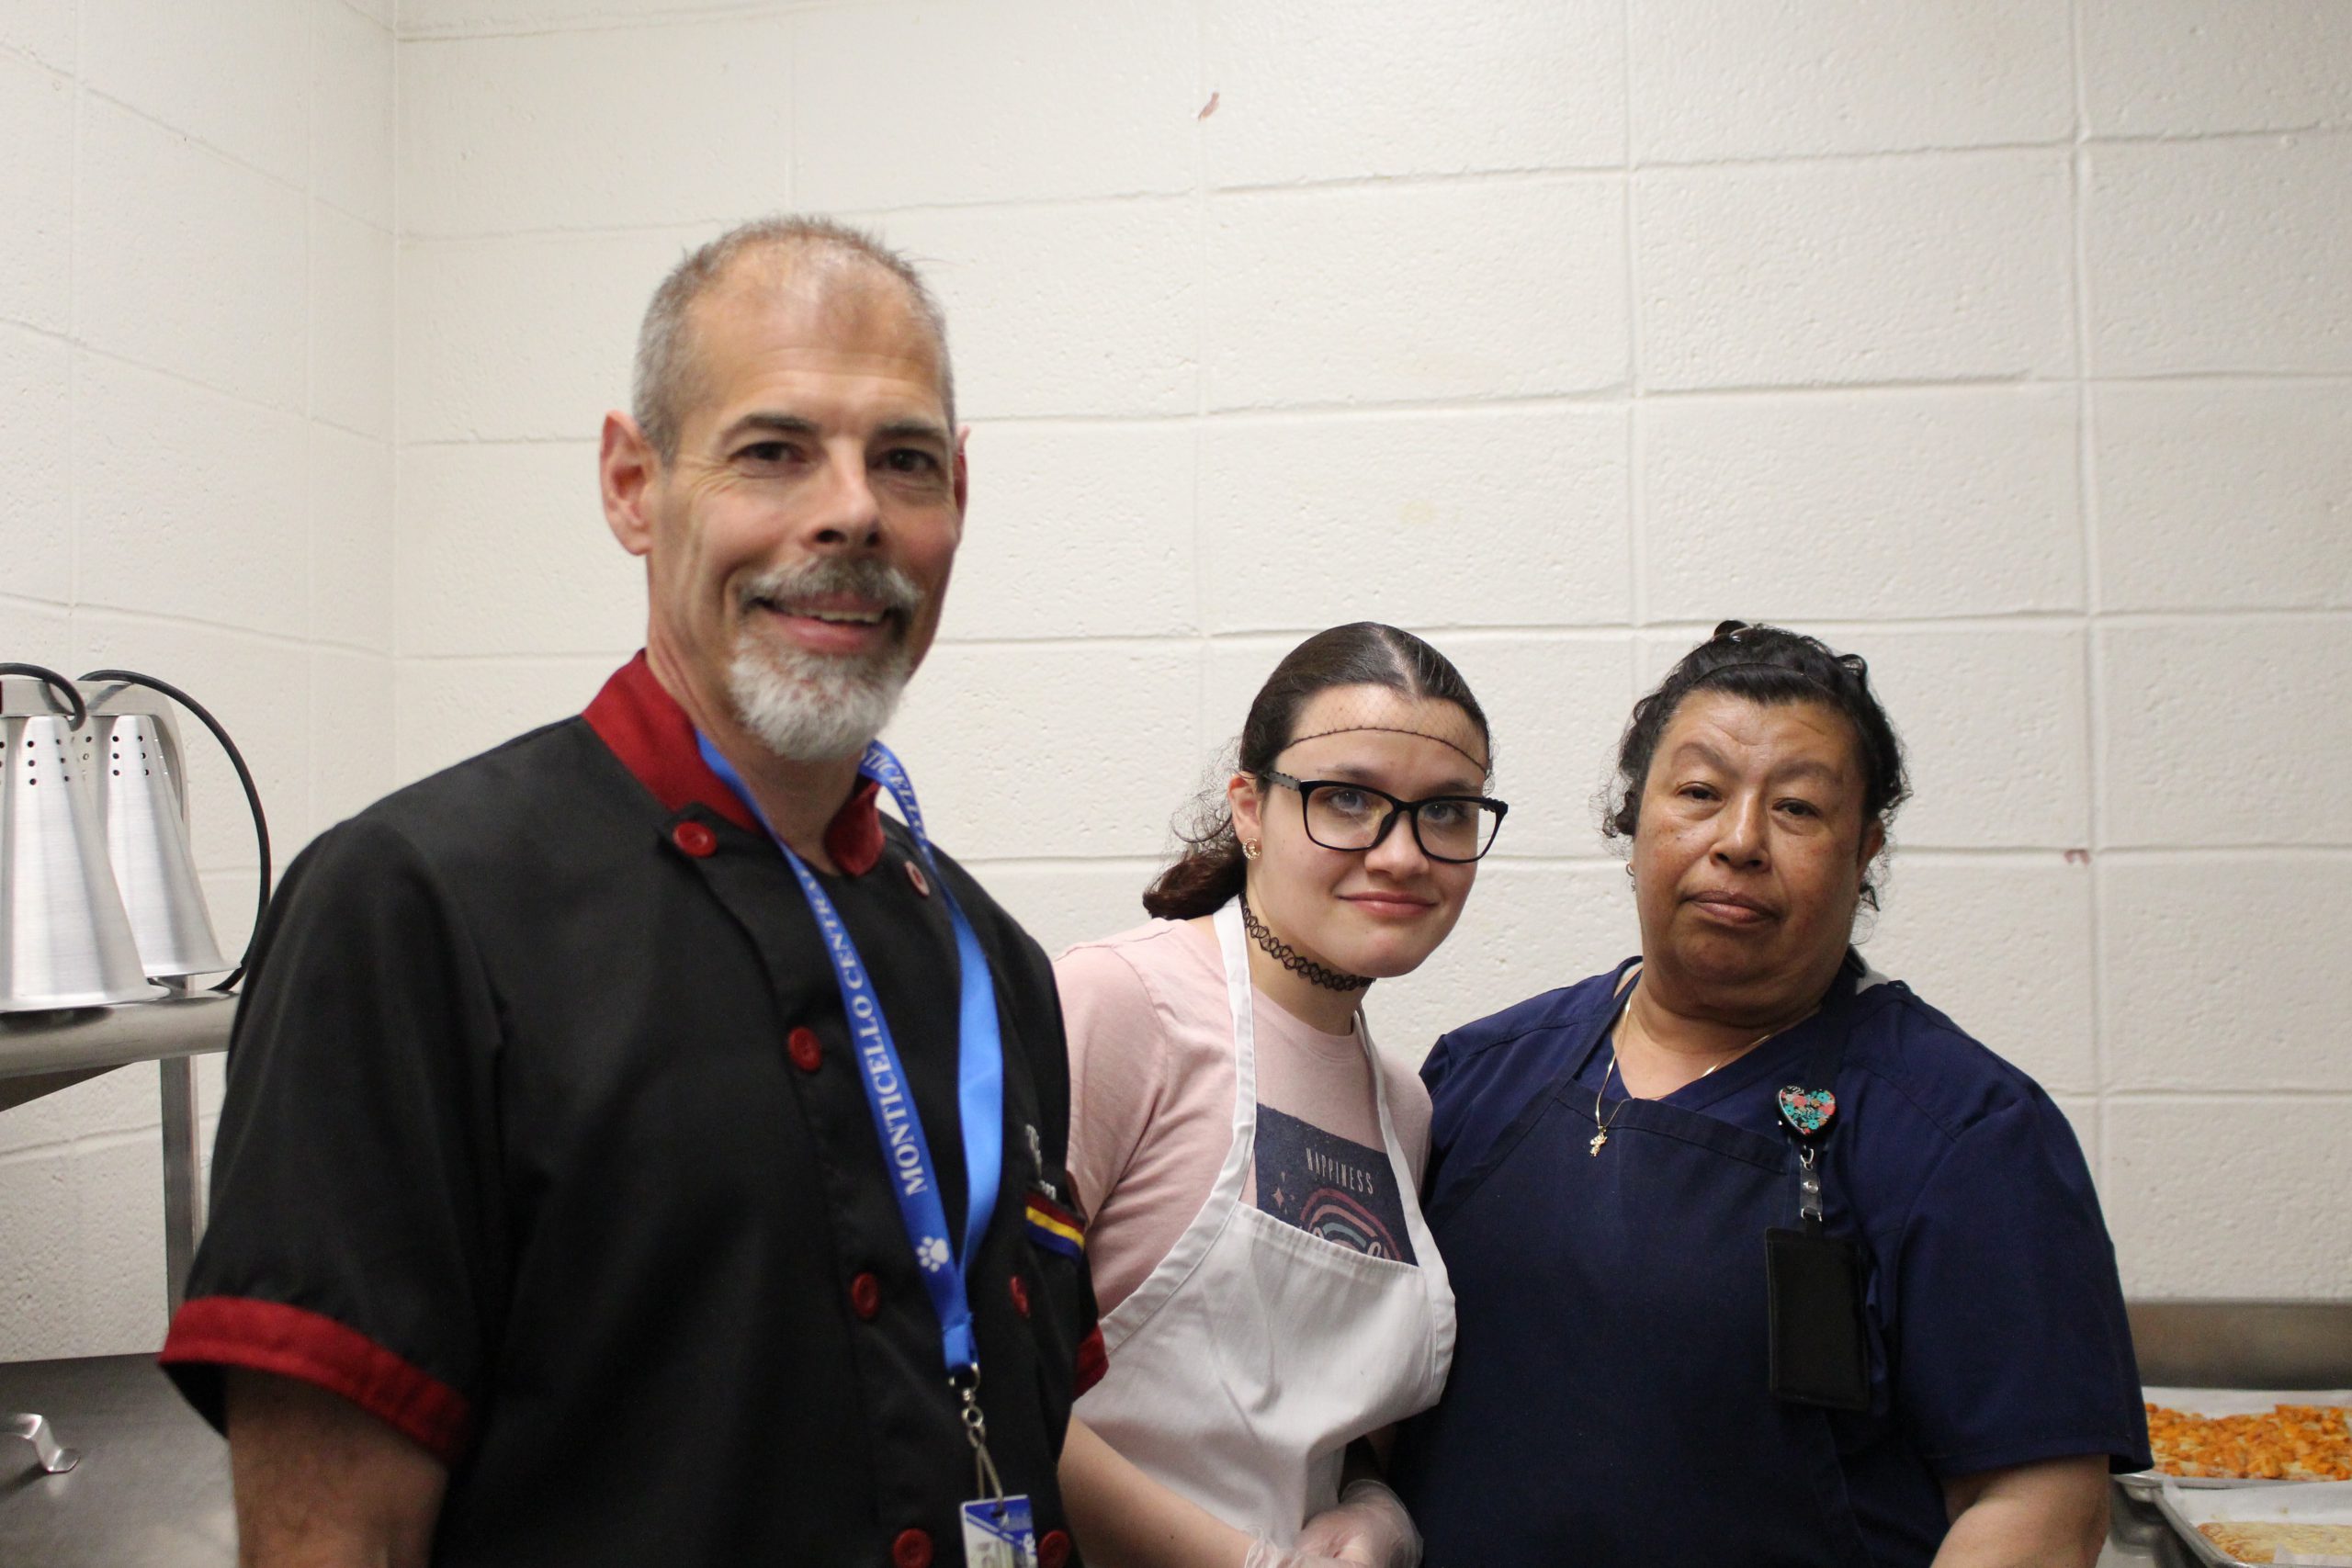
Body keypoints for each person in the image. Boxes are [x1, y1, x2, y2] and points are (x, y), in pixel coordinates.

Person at [158, 218, 1103, 1568]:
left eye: (904, 459)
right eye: (774, 451)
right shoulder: (416, 911)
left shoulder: (990, 962)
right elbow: (334, 1540)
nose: (852, 510)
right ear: (630, 481)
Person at [1389, 621, 2149, 1568]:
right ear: (1634, 823)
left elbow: (2035, 1506)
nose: (1739, 841)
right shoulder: (1480, 1076)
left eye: (1796, 809)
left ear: (1864, 849)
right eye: (1700, 793)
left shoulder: (1969, 1132)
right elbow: (1372, 1398)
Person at [1052, 624, 1507, 1568]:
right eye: (1347, 799)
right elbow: (973, 1368)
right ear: (1249, 809)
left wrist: (1375, 1502)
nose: (1400, 853)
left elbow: (1322, 1416)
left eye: (1447, 812)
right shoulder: (1120, 1007)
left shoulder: (1402, 1105)